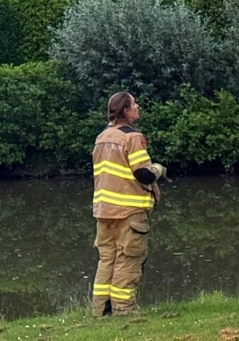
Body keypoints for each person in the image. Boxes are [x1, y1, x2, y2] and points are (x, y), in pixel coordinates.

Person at [91, 92, 166, 317]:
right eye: (134, 104)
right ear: (126, 110)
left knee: (107, 260)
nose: (137, 106)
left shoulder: (102, 137)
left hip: (104, 211)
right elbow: (143, 174)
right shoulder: (132, 137)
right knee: (128, 260)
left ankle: (101, 311)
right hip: (129, 212)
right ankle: (123, 311)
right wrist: (159, 169)